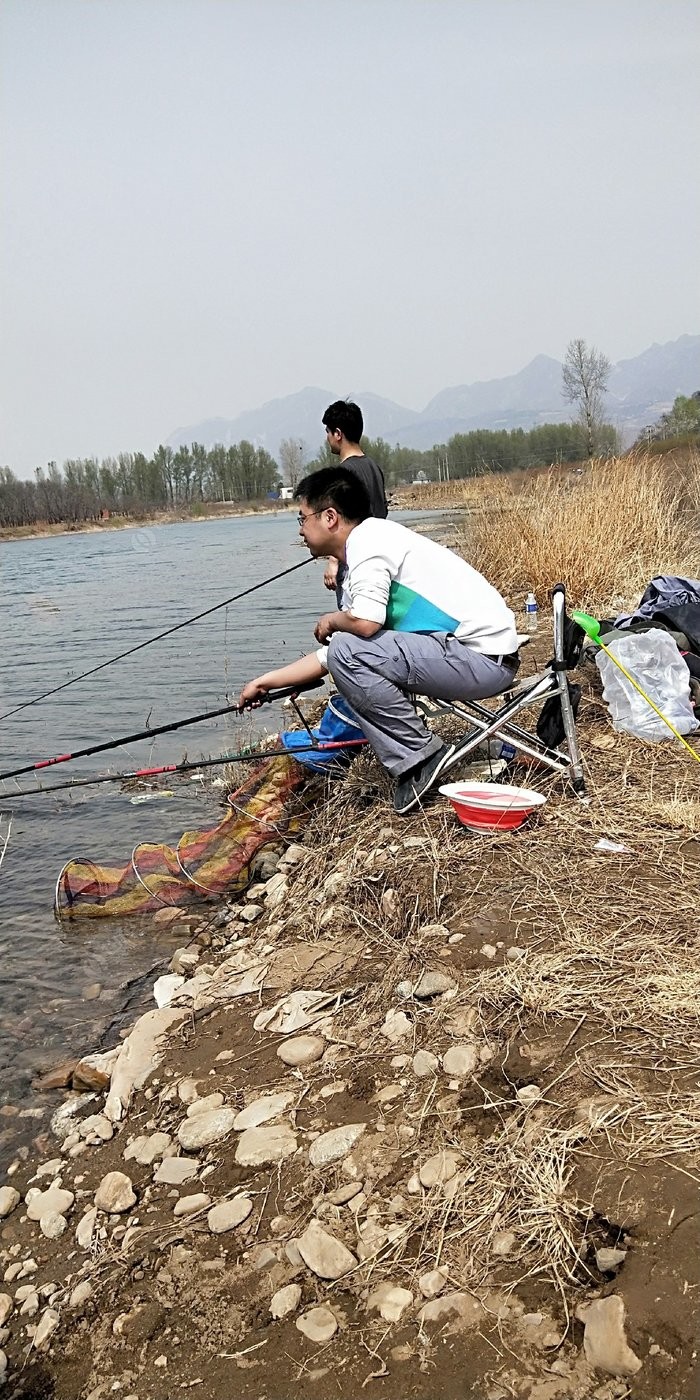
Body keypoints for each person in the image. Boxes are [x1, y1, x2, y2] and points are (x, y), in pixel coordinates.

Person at [239, 467, 519, 814]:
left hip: (479, 660)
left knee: (346, 646)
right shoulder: (366, 546)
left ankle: (420, 757)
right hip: (474, 658)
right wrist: (264, 683)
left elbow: (365, 625)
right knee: (345, 650)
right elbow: (335, 657)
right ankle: (418, 755)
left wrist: (332, 620)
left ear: (330, 517)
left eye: (302, 518)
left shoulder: (368, 543)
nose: (300, 530)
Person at [321, 400, 388, 603]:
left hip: (354, 564)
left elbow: (344, 521)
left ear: (338, 434)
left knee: (353, 622)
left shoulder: (344, 473)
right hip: (378, 559)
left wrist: (333, 561)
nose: (327, 438)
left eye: (328, 432)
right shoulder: (374, 467)